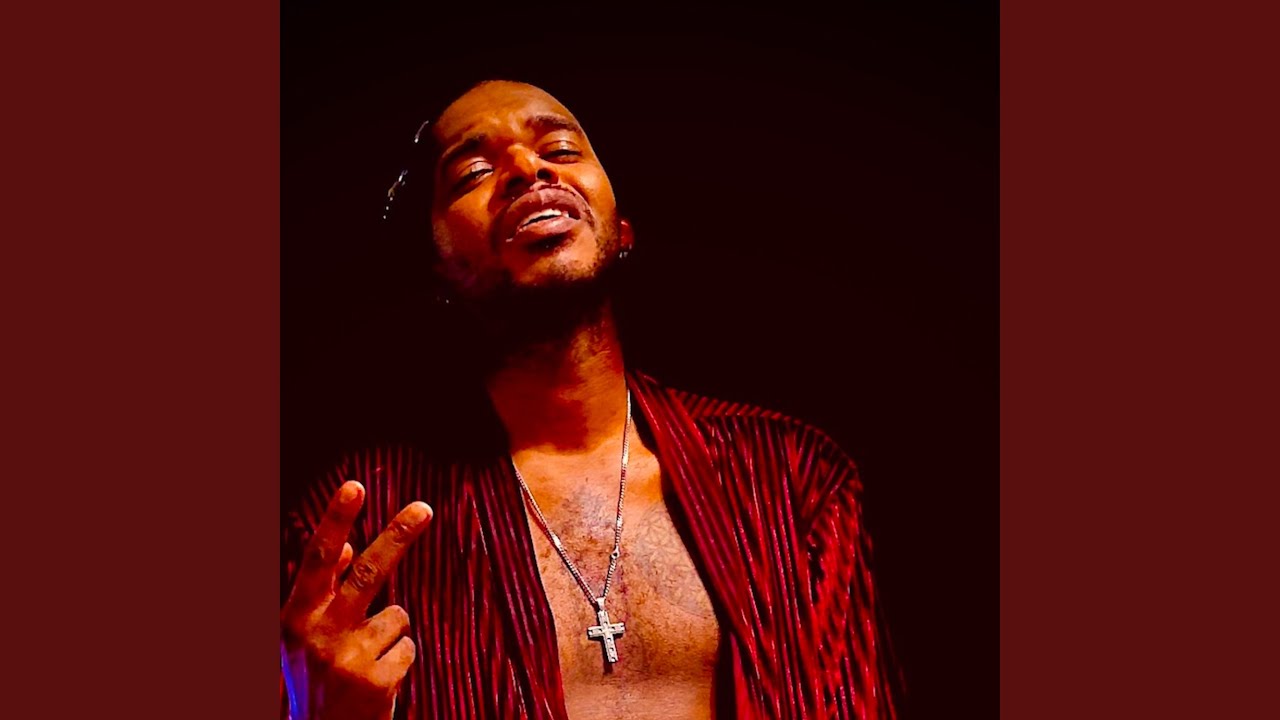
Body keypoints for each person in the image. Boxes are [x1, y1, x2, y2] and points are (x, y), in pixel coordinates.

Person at [280, 79, 900, 720]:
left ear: (620, 225)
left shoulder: (793, 476)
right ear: (436, 263)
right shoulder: (363, 523)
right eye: (474, 172)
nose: (528, 168)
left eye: (560, 149)